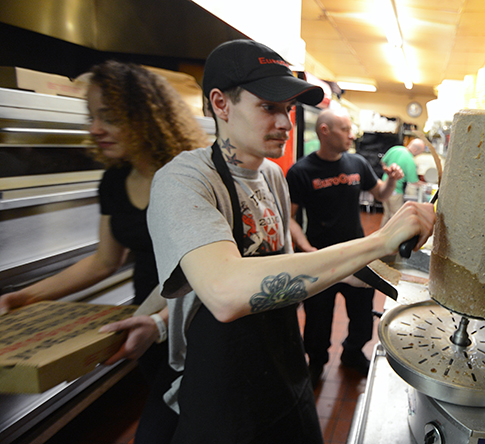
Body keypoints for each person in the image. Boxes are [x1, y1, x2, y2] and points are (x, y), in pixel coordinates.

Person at [146, 39, 435, 444]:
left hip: (285, 375)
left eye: (288, 109)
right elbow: (226, 292)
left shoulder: (273, 177)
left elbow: (281, 272)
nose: (286, 123)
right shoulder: (184, 181)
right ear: (220, 104)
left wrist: (396, 276)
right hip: (222, 399)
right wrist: (378, 241)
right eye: (269, 107)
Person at [0, 60, 208, 444]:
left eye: (109, 117)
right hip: (147, 324)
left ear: (146, 115)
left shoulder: (190, 175)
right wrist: (27, 296)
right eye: (92, 116)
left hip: (198, 326)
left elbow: (208, 271)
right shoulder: (114, 181)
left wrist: (163, 320)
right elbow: (104, 261)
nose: (95, 129)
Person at [286, 107, 404, 385]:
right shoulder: (301, 171)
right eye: (345, 130)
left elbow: (381, 195)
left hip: (357, 257)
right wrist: (306, 248)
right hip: (321, 260)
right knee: (317, 321)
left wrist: (392, 180)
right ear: (325, 131)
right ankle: (316, 363)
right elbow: (289, 218)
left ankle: (352, 353)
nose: (352, 135)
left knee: (363, 317)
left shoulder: (357, 163)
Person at [380, 137, 427, 226]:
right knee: (395, 217)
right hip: (395, 191)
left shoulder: (395, 149)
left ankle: (379, 237)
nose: (417, 155)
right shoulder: (410, 160)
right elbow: (413, 182)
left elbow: (383, 162)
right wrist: (425, 184)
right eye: (419, 153)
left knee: (386, 214)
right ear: (415, 149)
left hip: (383, 187)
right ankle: (391, 239)